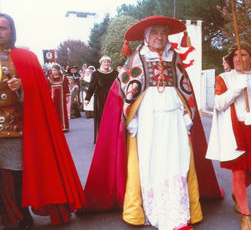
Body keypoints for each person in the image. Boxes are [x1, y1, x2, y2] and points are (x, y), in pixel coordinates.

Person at [83, 15, 222, 230]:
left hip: (174, 119)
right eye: (155, 32)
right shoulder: (136, 59)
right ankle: (153, 208)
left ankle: (177, 211)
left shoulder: (175, 58)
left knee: (177, 158)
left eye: (164, 32)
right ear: (147, 36)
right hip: (147, 120)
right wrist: (132, 119)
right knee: (150, 161)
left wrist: (187, 114)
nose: (160, 36)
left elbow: (185, 89)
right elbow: (126, 92)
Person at [0, 13, 86, 229]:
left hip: (18, 129)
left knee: (16, 174)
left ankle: (20, 215)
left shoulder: (26, 58)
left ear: (12, 32)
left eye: (3, 28)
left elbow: (38, 94)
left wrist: (22, 87)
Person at [206, 44, 251, 230]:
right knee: (238, 172)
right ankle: (246, 215)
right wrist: (236, 89)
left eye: (243, 54)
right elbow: (219, 103)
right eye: (235, 55)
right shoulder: (224, 78)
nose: (238, 59)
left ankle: (238, 194)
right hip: (234, 131)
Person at [84, 56, 117, 144]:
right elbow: (91, 87)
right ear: (101, 63)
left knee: (112, 119)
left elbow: (119, 85)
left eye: (108, 62)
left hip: (112, 98)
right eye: (104, 62)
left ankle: (112, 138)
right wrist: (87, 98)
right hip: (100, 99)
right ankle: (101, 138)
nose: (106, 64)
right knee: (102, 118)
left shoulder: (114, 72)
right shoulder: (96, 74)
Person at [48, 64, 70, 132]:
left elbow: (66, 87)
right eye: (52, 70)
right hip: (52, 98)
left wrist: (67, 96)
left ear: (58, 70)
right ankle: (54, 128)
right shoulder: (49, 78)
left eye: (55, 70)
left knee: (62, 111)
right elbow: (47, 88)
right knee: (53, 112)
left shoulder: (63, 77)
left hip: (61, 98)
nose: (53, 72)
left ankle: (64, 127)